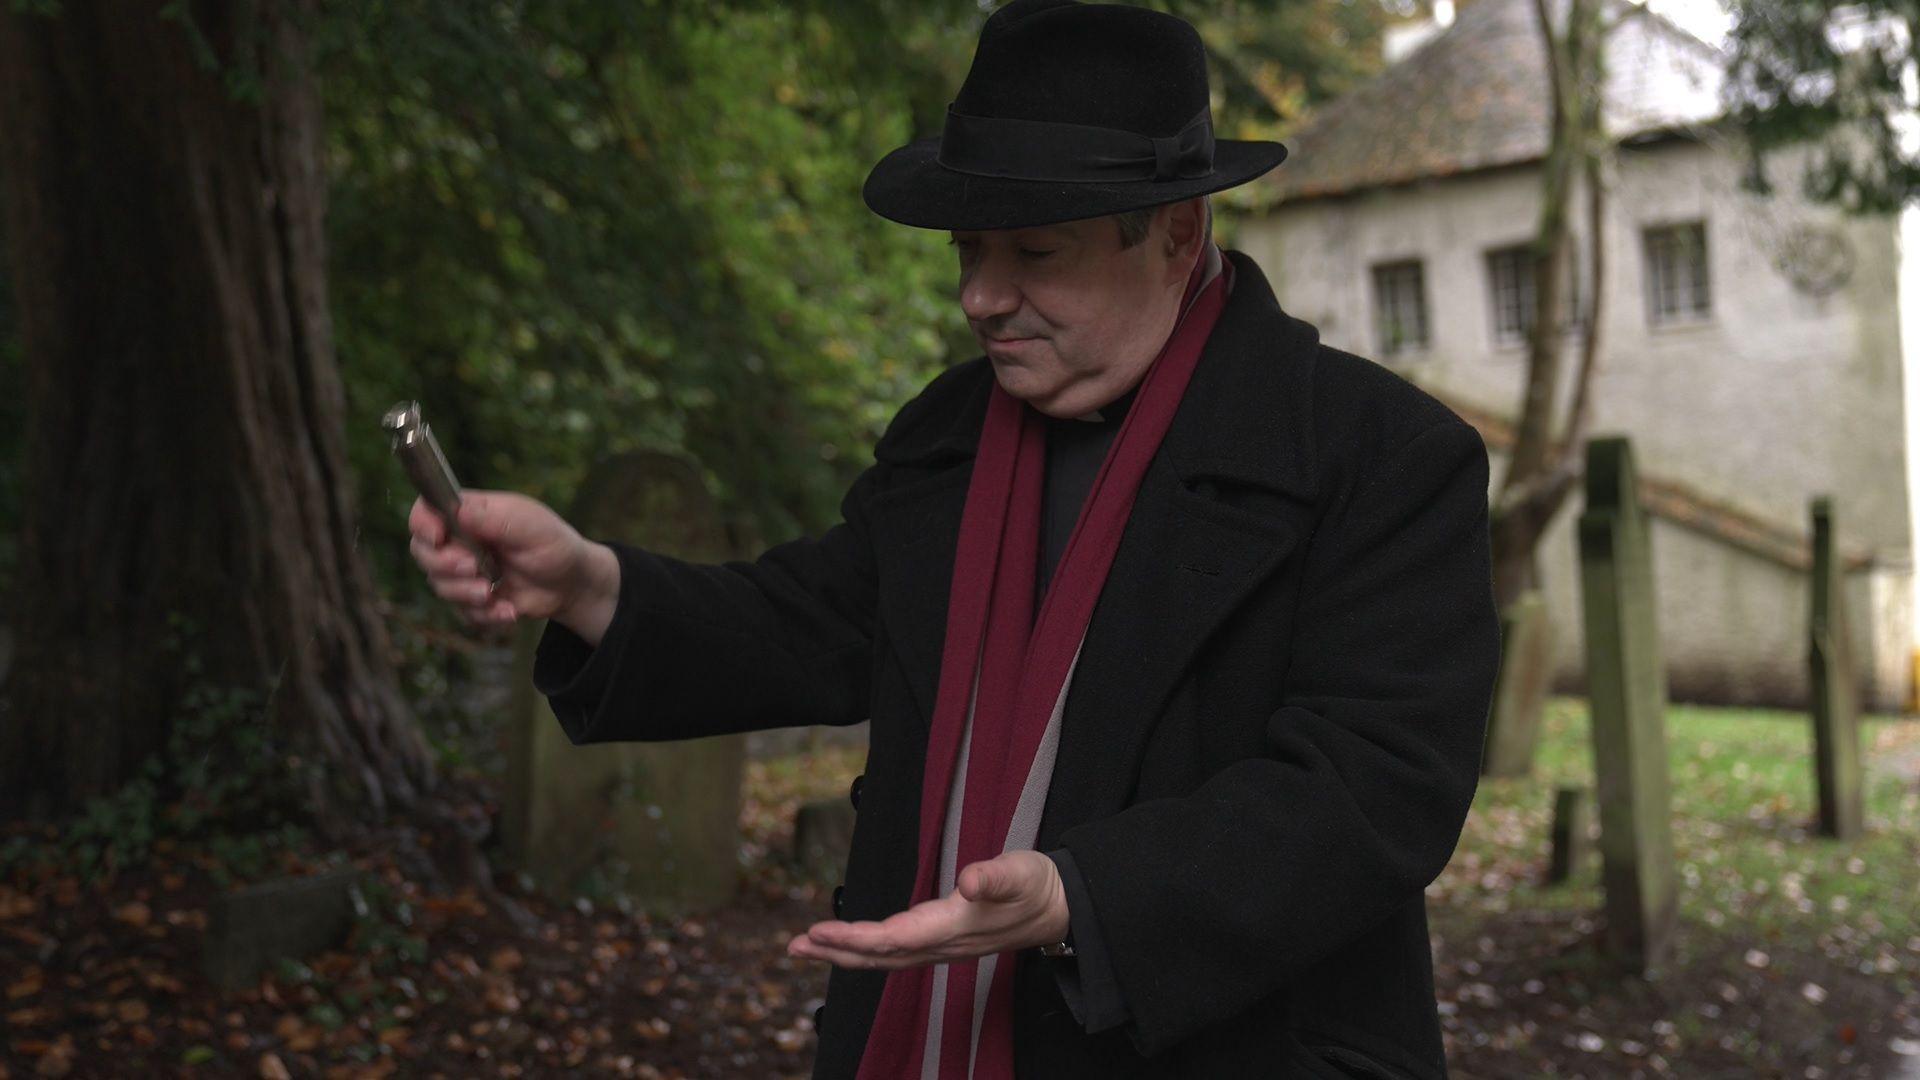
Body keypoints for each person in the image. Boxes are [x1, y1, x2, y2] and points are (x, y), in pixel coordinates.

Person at [407, 1, 1500, 1076]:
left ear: (1177, 233)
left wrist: (1083, 895)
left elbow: (1373, 790)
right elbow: (809, 623)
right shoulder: (949, 432)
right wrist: (589, 581)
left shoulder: (1377, 457)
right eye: (969, 248)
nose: (983, 296)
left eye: (1035, 251)